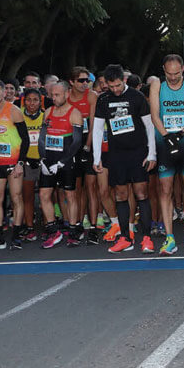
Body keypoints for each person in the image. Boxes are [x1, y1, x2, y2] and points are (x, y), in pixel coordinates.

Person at [93, 64, 158, 254]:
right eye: (111, 87)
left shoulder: (136, 97)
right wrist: (97, 157)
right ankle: (125, 237)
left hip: (138, 152)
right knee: (120, 195)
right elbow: (97, 129)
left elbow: (149, 126)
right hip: (116, 154)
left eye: (118, 85)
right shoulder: (103, 99)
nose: (115, 90)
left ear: (124, 80)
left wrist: (151, 153)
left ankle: (146, 238)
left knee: (141, 194)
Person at [148, 54, 184, 255]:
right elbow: (154, 114)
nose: (173, 78)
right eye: (169, 74)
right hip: (165, 143)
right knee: (165, 189)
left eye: (177, 73)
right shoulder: (157, 85)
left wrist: (181, 133)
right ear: (164, 71)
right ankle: (169, 237)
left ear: (183, 69)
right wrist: (166, 136)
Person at [0, 80, 29, 250]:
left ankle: (16, 235)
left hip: (13, 162)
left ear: (3, 93)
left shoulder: (13, 111)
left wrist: (20, 163)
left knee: (16, 198)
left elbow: (25, 139)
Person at [37, 81, 84, 249]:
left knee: (70, 195)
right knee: (44, 194)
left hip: (66, 160)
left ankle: (74, 229)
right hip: (49, 159)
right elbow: (42, 137)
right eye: (52, 95)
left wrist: (62, 162)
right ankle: (53, 230)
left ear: (66, 94)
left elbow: (77, 141)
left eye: (57, 95)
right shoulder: (48, 112)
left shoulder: (75, 113)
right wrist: (43, 159)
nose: (53, 98)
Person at [68, 66, 100, 242]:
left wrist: (88, 146)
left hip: (89, 145)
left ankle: (94, 226)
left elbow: (94, 124)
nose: (85, 83)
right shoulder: (66, 97)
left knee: (91, 188)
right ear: (71, 82)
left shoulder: (91, 96)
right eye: (81, 80)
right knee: (76, 190)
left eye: (87, 80)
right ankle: (79, 224)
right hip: (72, 146)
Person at [19, 88, 46, 241]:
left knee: (46, 197)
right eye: (29, 100)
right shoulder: (19, 116)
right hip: (27, 162)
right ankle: (29, 227)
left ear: (40, 101)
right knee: (27, 197)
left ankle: (48, 225)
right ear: (24, 101)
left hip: (43, 161)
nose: (32, 103)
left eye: (35, 100)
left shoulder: (45, 116)